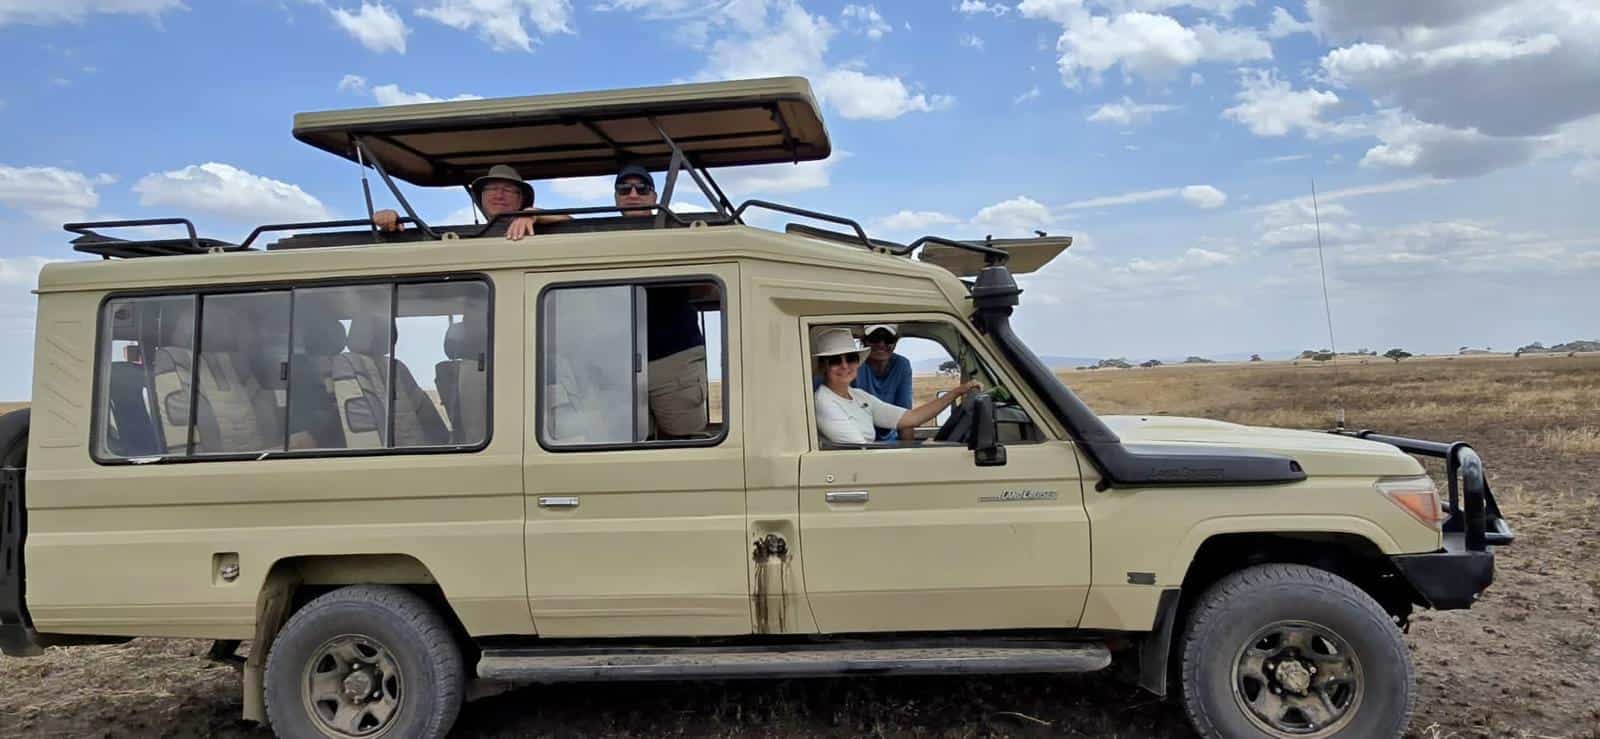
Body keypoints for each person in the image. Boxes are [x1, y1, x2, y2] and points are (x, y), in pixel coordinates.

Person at [813, 327, 977, 445]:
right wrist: (924, 449)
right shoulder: (824, 401)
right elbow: (860, 448)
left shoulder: (858, 395)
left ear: (857, 362)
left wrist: (958, 391)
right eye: (835, 361)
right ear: (822, 367)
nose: (844, 366)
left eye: (850, 359)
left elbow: (910, 418)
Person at [372, 164, 566, 240]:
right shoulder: (468, 236)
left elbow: (571, 221)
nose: (499, 194)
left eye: (507, 189)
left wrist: (531, 214)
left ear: (521, 199)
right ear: (481, 198)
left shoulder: (537, 228)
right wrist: (390, 220)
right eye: (491, 189)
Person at [854, 323, 913, 440]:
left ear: (895, 343)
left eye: (888, 339)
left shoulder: (902, 365)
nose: (881, 344)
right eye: (874, 338)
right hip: (857, 440)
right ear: (864, 341)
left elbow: (905, 417)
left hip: (889, 441)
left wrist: (908, 452)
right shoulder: (852, 365)